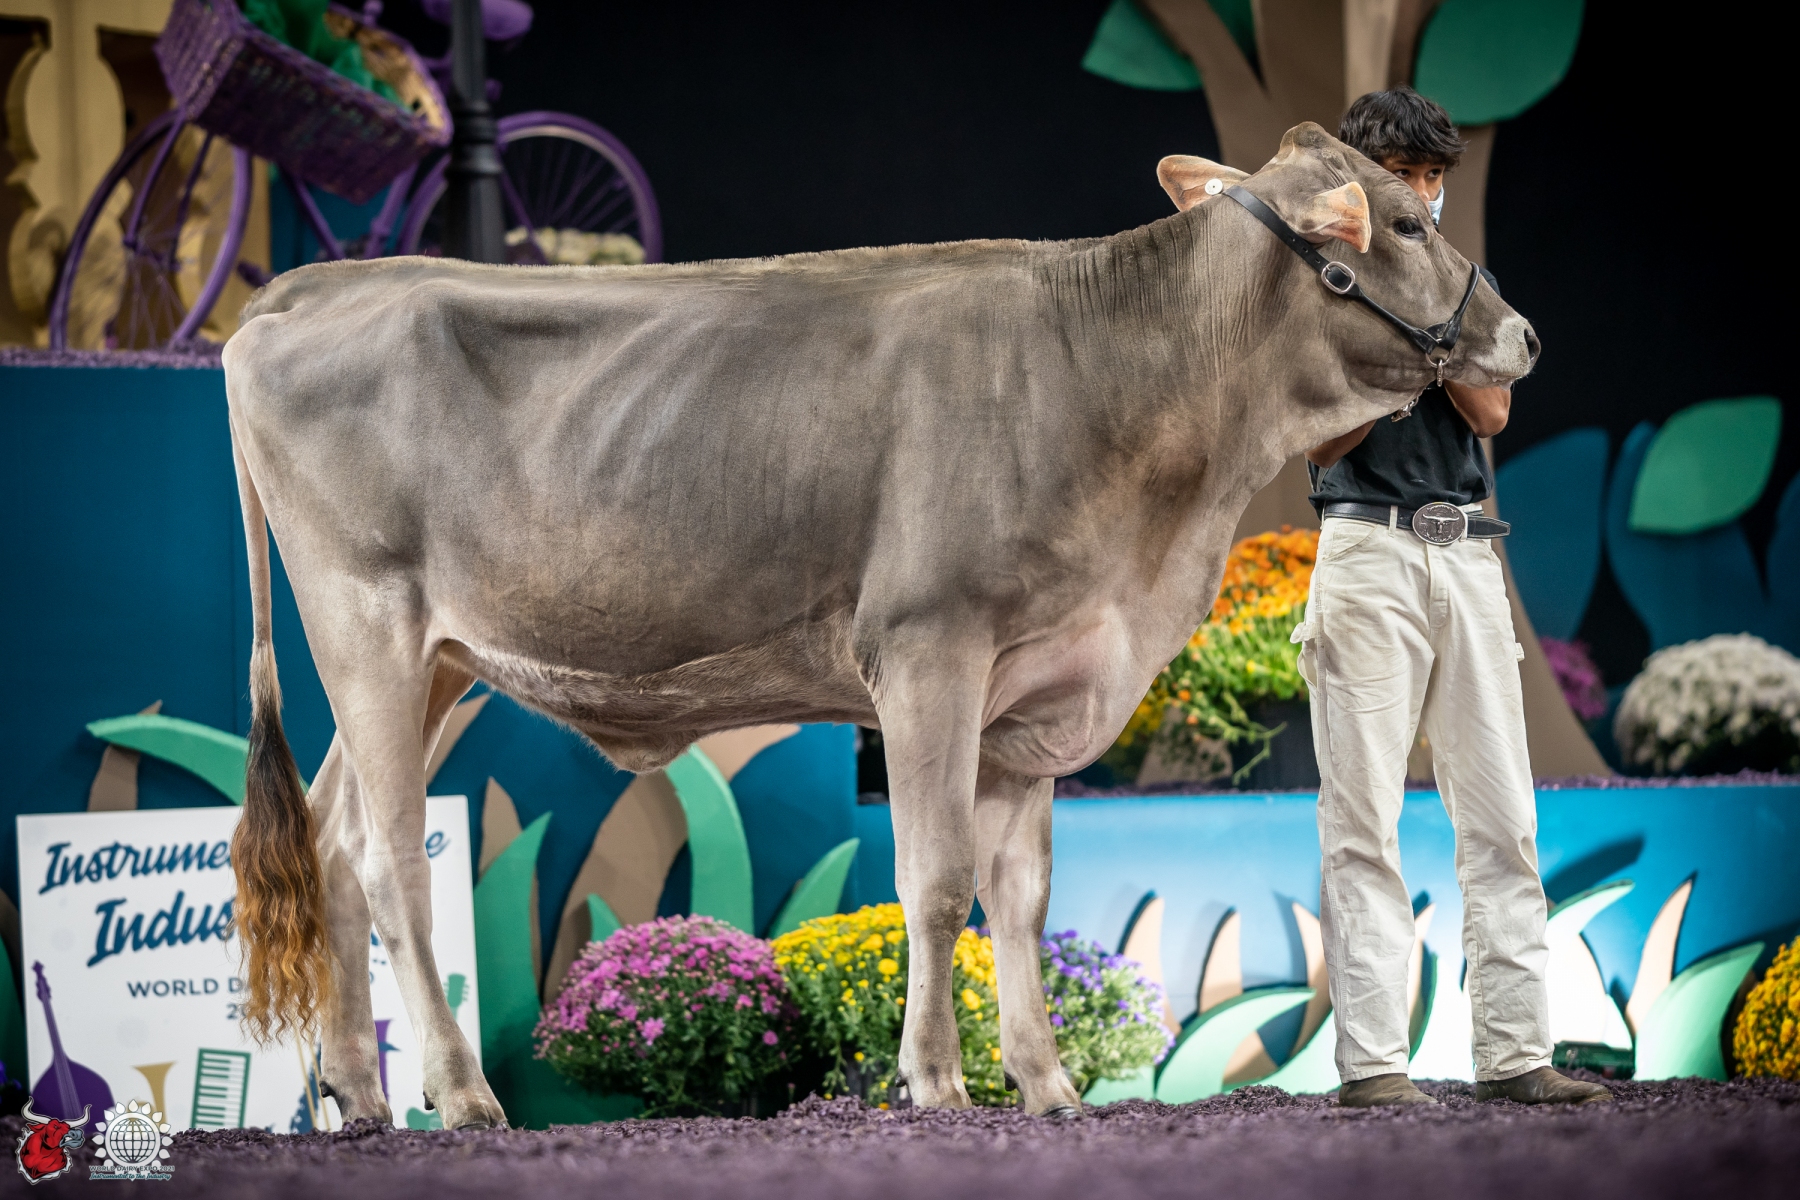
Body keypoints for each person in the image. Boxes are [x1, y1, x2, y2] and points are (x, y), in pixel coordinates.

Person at [1298, 86, 1610, 1107]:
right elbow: (1322, 437)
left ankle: (1517, 1055)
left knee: (1504, 816)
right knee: (1362, 818)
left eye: (1433, 176)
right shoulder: (1324, 284)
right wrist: (1415, 349)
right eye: (1405, 174)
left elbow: (1490, 409)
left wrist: (1427, 337)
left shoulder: (1469, 282)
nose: (1423, 192)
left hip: (1468, 554)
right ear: (1362, 175)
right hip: (1365, 553)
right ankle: (1373, 1067)